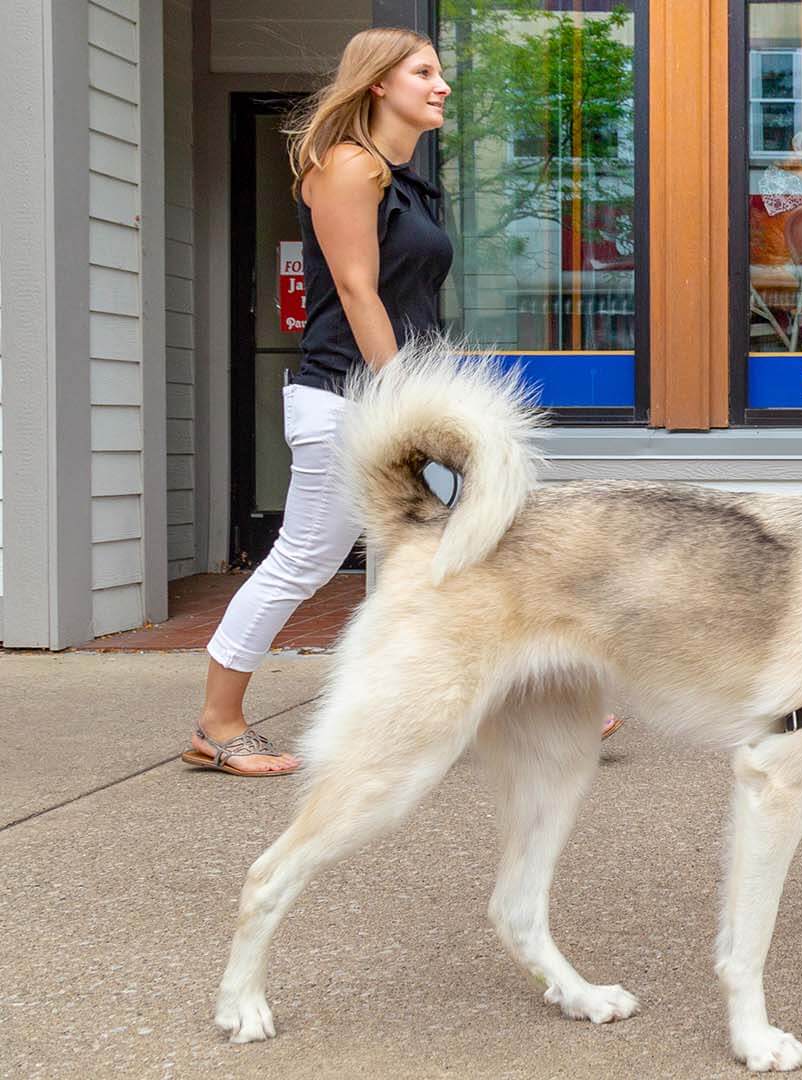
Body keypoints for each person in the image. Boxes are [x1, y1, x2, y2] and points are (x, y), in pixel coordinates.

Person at [183, 28, 618, 775]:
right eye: (424, 72)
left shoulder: (405, 179)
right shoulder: (347, 167)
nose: (442, 85)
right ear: (379, 82)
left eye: (440, 73)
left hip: (401, 403)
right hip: (354, 404)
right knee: (305, 561)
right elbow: (357, 292)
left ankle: (527, 708)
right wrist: (408, 407)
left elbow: (404, 296)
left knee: (476, 547)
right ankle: (217, 722)